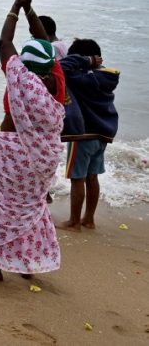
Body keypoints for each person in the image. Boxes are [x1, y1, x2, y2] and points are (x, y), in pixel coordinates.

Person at [0, 0, 65, 282]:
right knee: (32, 208)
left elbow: (4, 44)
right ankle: (30, 265)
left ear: (24, 64)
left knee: (2, 209)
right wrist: (29, 10)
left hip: (14, 158)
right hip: (43, 160)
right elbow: (46, 45)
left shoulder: (21, 78)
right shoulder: (56, 79)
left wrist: (16, 5)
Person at [57, 39, 119, 232]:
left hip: (83, 135)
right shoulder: (105, 76)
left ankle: (74, 222)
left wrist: (83, 61)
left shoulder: (80, 77)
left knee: (77, 178)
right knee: (92, 177)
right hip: (103, 134)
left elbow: (59, 67)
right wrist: (90, 62)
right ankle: (89, 219)